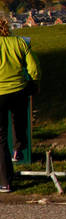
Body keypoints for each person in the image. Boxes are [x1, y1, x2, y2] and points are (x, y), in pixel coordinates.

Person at [0, 16, 40, 193]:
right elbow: (34, 68)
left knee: (0, 138)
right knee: (20, 120)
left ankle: (5, 182)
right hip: (18, 90)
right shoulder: (20, 42)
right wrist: (34, 83)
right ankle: (19, 148)